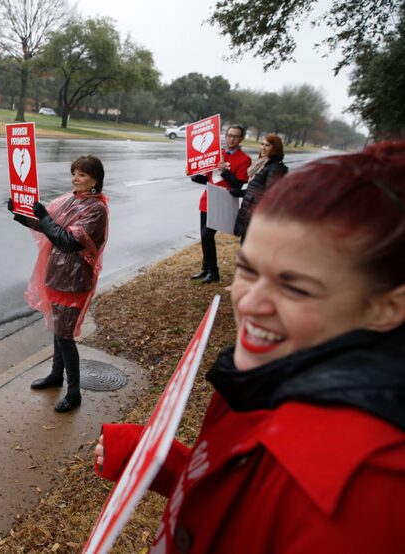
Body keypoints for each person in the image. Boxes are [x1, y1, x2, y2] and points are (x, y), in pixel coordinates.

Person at [95, 142, 405, 553]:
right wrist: (150, 457)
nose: (250, 302)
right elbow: (248, 509)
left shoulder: (363, 500)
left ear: (388, 307)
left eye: (294, 287)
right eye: (247, 269)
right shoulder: (267, 375)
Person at [9, 156, 109, 412]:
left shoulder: (96, 210)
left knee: (65, 336)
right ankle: (56, 375)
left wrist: (44, 217)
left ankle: (73, 392)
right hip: (56, 275)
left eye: (83, 174)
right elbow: (45, 225)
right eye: (74, 173)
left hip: (75, 281)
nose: (76, 178)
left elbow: (66, 241)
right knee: (58, 330)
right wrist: (20, 213)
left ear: (95, 180)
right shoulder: (68, 200)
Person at [189, 124, 251, 284]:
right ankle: (205, 269)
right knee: (204, 237)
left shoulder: (245, 159)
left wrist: (225, 171)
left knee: (207, 234)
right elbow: (208, 179)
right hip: (207, 200)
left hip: (224, 203)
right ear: (225, 136)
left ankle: (214, 272)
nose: (232, 139)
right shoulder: (216, 154)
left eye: (236, 136)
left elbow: (238, 185)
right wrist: (194, 175)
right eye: (229, 135)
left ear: (241, 139)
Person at [227, 133, 288, 242]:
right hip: (249, 211)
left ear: (275, 148)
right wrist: (240, 192)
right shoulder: (263, 164)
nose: (263, 148)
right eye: (262, 144)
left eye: (267, 145)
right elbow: (257, 189)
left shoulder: (275, 167)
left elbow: (271, 194)